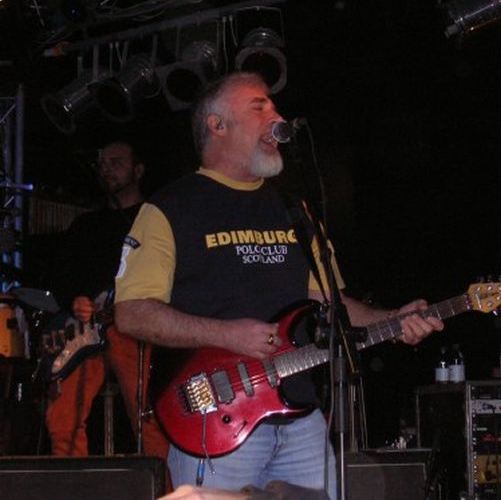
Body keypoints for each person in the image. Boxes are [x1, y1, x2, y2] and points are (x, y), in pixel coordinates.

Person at [113, 72, 444, 499]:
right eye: (259, 106)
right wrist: (227, 334)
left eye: (274, 105)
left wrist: (394, 320)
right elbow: (132, 313)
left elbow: (328, 301)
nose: (277, 117)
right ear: (217, 124)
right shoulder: (170, 208)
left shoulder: (294, 210)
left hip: (299, 416)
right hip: (217, 417)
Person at [44, 141, 170, 465]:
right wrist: (75, 299)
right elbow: (60, 275)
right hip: (86, 330)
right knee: (63, 420)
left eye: (116, 162)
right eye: (102, 163)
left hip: (133, 327)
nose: (106, 169)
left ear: (138, 171)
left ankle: (165, 486)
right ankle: (73, 484)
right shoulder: (86, 225)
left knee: (150, 419)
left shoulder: (155, 219)